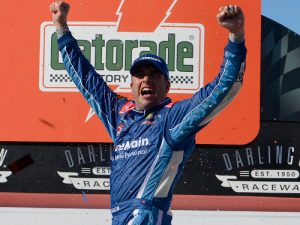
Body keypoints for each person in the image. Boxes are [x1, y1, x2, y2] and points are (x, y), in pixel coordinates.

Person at [50, 1, 246, 225]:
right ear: (132, 85)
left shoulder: (174, 117)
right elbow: (85, 78)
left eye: (154, 74)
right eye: (140, 74)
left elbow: (224, 87)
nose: (146, 79)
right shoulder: (120, 115)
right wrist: (61, 27)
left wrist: (236, 37)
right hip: (118, 218)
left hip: (148, 216)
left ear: (167, 86)